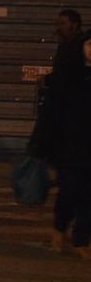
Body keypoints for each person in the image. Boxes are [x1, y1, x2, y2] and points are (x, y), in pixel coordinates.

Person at [29, 32, 91, 259]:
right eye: (90, 44)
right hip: (69, 146)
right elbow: (51, 112)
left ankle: (81, 240)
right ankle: (59, 230)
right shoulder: (67, 75)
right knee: (69, 192)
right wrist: (40, 144)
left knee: (88, 197)